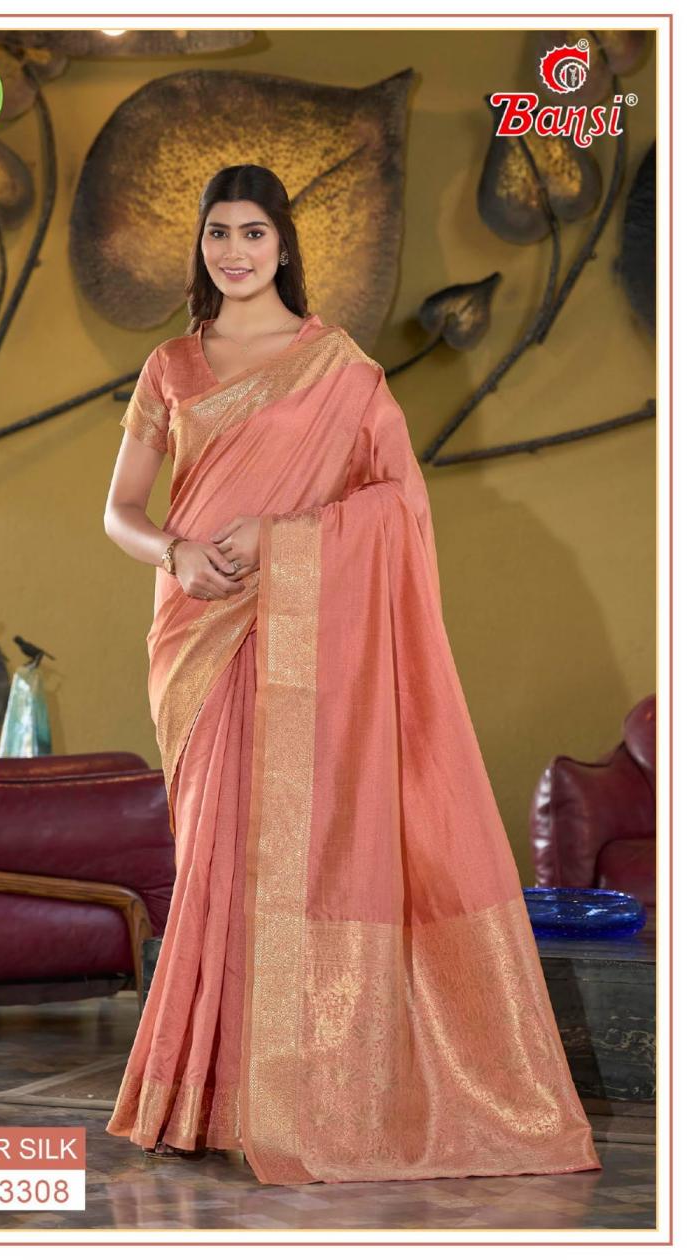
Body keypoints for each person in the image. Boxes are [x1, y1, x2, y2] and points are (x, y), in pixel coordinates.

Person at [102, 164, 602, 1188]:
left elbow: (399, 507)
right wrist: (175, 553)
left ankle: (299, 1096)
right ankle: (203, 1096)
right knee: (212, 862)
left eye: (252, 232)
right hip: (197, 633)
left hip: (305, 634)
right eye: (217, 234)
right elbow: (120, 510)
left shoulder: (342, 369)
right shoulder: (171, 366)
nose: (233, 252)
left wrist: (283, 537)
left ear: (284, 244)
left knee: (294, 855)